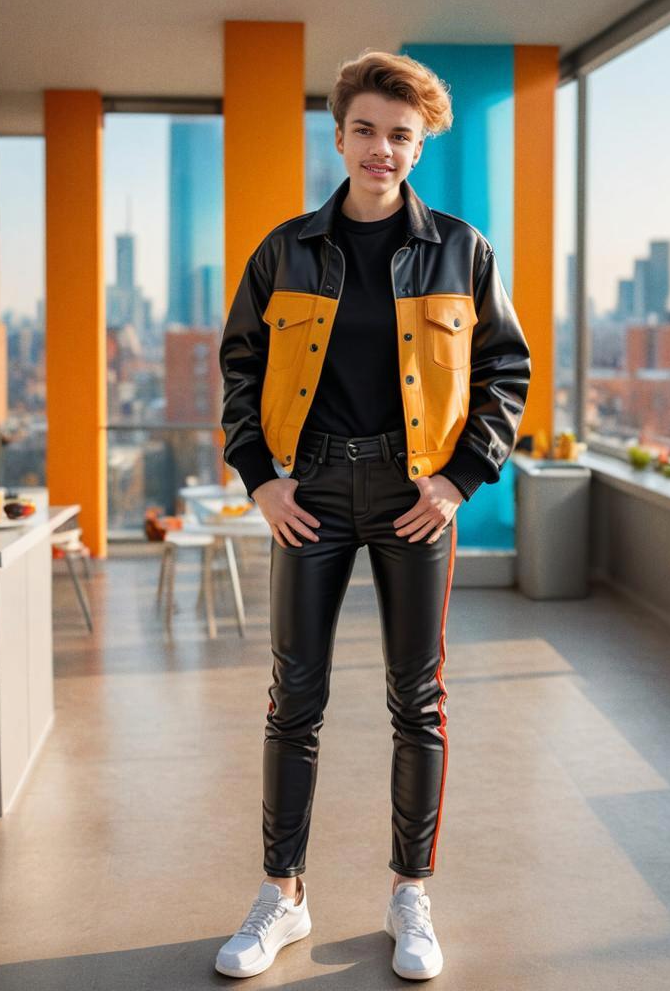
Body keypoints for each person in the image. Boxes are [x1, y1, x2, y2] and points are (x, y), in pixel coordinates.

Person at [215, 49, 531, 981]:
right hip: (308, 493)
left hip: (413, 498)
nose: (381, 149)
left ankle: (410, 897)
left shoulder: (462, 251)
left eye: (400, 135)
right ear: (340, 134)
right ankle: (283, 896)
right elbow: (238, 367)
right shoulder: (284, 249)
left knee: (417, 701)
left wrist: (457, 480)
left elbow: (504, 373)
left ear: (419, 145)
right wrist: (260, 480)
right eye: (365, 130)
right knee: (294, 700)